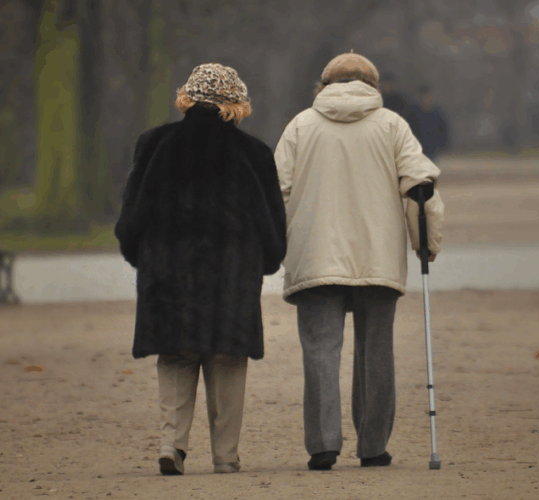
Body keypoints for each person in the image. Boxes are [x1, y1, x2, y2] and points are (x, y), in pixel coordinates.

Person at [274, 52, 444, 471]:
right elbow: (420, 188)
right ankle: (373, 445)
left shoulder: (300, 125)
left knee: (320, 350)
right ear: (373, 86)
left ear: (323, 85)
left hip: (315, 254)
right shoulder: (393, 126)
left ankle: (323, 444)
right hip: (377, 255)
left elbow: (277, 191)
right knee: (376, 349)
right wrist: (425, 242)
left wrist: (274, 246)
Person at [114, 63, 287, 476]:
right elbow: (271, 224)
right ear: (236, 104)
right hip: (232, 275)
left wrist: (142, 257)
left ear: (187, 98)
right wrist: (267, 261)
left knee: (176, 356)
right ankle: (225, 456)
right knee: (227, 359)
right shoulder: (254, 153)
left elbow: (131, 219)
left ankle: (171, 444)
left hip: (167, 274)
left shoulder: (153, 144)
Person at [408, 85, 449, 160]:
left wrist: (442, 145)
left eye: (427, 97)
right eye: (423, 97)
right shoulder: (414, 114)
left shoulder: (436, 113)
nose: (425, 99)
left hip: (432, 148)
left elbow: (443, 130)